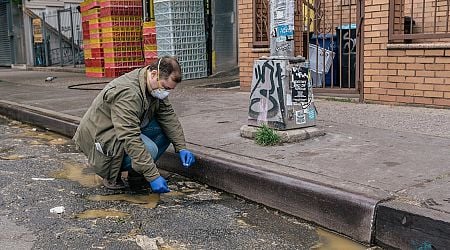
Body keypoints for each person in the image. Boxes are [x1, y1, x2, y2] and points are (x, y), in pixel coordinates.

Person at [73, 56, 195, 193]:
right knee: (150, 149)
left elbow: (168, 116)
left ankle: (136, 173)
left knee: (166, 131)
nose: (166, 92)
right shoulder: (128, 93)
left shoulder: (152, 84)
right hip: (102, 139)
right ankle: (111, 174)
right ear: (154, 74)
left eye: (169, 90)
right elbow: (129, 137)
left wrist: (182, 147)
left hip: (119, 131)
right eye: (165, 87)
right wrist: (153, 175)